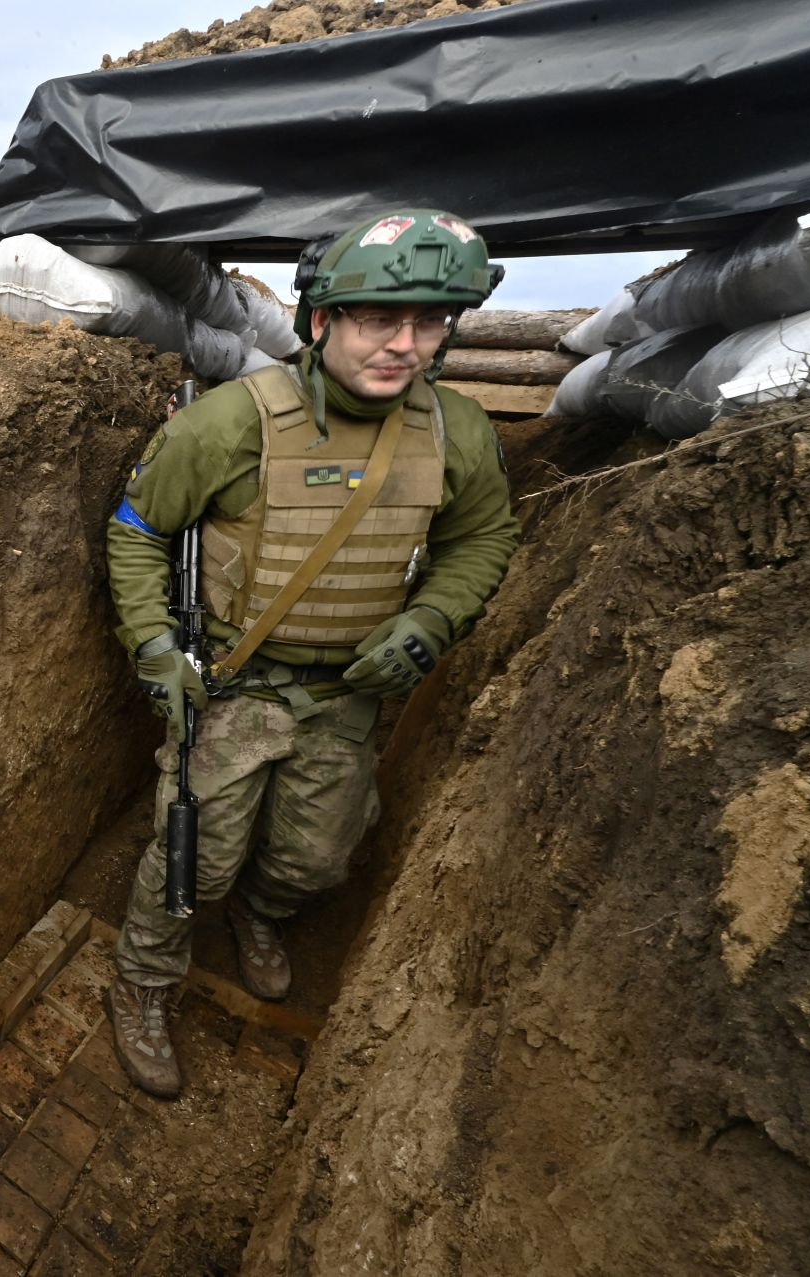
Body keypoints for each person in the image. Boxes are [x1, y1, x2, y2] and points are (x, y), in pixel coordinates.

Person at [102, 209, 522, 1098]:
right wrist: (153, 649)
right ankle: (143, 977)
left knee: (317, 860)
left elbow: (485, 537)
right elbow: (138, 532)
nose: (404, 345)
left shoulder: (459, 433)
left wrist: (430, 621)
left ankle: (263, 913)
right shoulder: (228, 424)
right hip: (234, 686)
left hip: (348, 695)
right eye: (381, 319)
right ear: (322, 319)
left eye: (429, 323)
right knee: (196, 853)